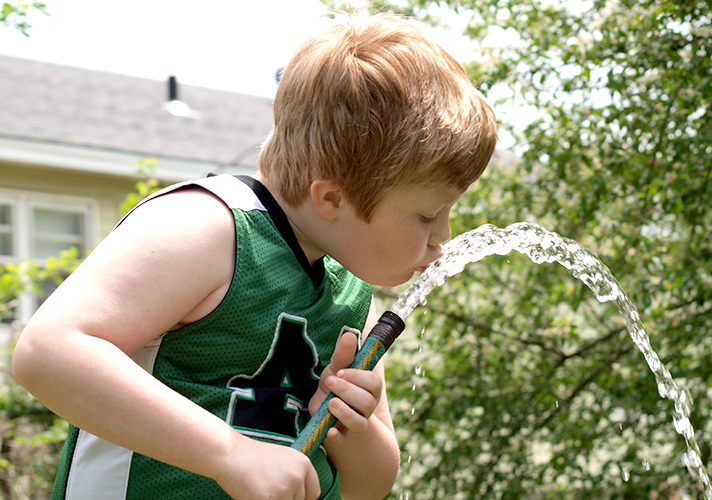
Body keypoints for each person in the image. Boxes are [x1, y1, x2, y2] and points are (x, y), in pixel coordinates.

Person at [12, 13, 497, 500]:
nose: (444, 238)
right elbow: (48, 352)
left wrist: (356, 427)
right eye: (427, 215)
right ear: (332, 199)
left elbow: (368, 486)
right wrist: (230, 454)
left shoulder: (349, 285)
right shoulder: (209, 227)